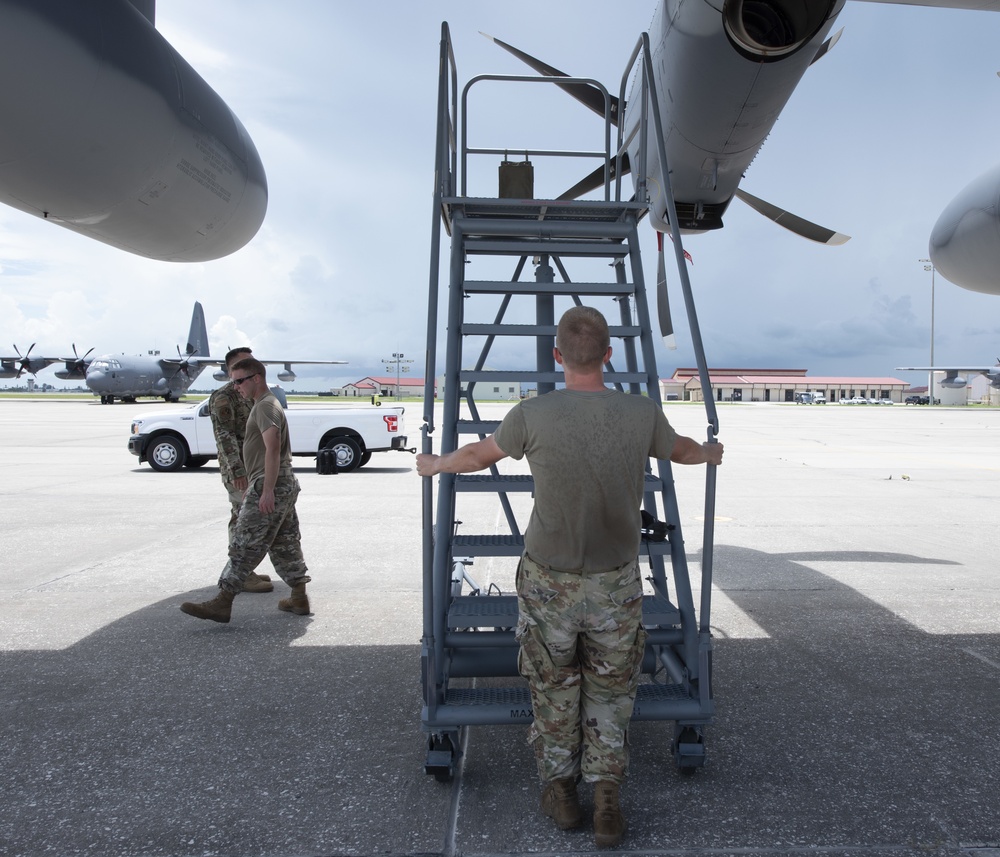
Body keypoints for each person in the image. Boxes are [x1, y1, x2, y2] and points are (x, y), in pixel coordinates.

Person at [416, 306, 724, 848]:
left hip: (548, 582)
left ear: (557, 356)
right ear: (609, 354)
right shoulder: (641, 412)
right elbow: (683, 452)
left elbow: (476, 454)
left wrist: (435, 464)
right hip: (615, 583)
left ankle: (561, 792)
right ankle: (607, 798)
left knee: (553, 687)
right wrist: (710, 451)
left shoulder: (532, 414)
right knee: (611, 689)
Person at [181, 357, 312, 624]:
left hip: (270, 481)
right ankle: (298, 596)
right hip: (282, 482)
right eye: (233, 381)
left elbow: (272, 446)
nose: (236, 386)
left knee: (244, 541)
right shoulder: (263, 404)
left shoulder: (264, 406)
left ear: (256, 378)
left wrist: (266, 490)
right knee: (284, 542)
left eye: (239, 381)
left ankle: (223, 601)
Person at [207, 346, 272, 594]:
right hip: (241, 470)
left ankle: (244, 571)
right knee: (242, 520)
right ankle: (238, 574)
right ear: (230, 369)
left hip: (256, 466)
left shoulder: (254, 394)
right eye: (245, 362)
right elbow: (224, 437)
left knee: (250, 520)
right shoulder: (225, 397)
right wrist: (237, 472)